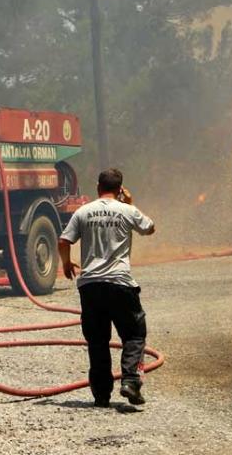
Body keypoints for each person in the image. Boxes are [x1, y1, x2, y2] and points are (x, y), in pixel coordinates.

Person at [58, 168, 156, 408]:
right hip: (120, 284)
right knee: (134, 334)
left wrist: (67, 263)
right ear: (120, 189)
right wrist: (131, 203)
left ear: (98, 187)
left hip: (90, 286)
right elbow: (150, 228)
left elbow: (63, 241)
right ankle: (131, 381)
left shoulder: (83, 211)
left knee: (98, 340)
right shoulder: (127, 210)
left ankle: (101, 395)